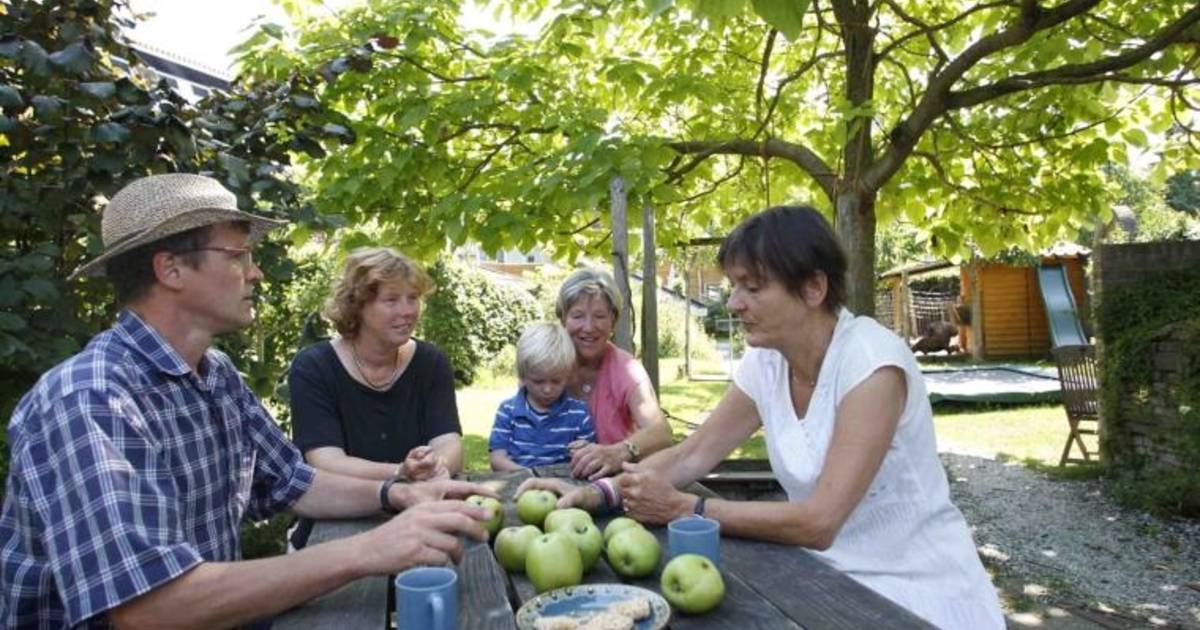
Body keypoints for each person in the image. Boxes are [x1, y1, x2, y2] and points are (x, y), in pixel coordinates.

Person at [0, 174, 495, 629]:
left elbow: (293, 482)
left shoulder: (215, 376)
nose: (255, 272)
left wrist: (397, 493)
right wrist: (369, 549)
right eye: (236, 256)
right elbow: (148, 608)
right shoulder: (91, 400)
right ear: (171, 269)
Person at [521, 206, 1005, 629]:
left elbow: (819, 521)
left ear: (814, 287)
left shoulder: (872, 364)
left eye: (752, 287)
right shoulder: (768, 359)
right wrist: (596, 493)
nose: (733, 303)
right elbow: (693, 453)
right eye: (734, 286)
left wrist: (687, 510)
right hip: (823, 578)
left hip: (917, 594)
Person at [289, 247, 464, 483]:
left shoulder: (430, 362)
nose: (407, 311)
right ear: (357, 305)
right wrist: (401, 472)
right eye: (391, 300)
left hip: (425, 502)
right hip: (341, 511)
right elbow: (325, 461)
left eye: (413, 298)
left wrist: (436, 466)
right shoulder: (313, 367)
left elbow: (448, 442)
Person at [555, 268, 673, 480]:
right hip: (549, 479)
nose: (589, 327)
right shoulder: (546, 363)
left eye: (599, 316)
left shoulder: (627, 369)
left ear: (613, 320)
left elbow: (661, 433)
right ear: (562, 318)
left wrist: (619, 452)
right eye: (578, 315)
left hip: (617, 483)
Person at [490, 322, 597, 471]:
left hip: (563, 487)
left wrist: (584, 452)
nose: (547, 389)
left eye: (556, 381)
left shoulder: (579, 413)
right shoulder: (508, 411)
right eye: (538, 381)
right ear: (523, 376)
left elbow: (590, 459)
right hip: (517, 485)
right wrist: (530, 476)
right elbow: (497, 459)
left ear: (567, 375)